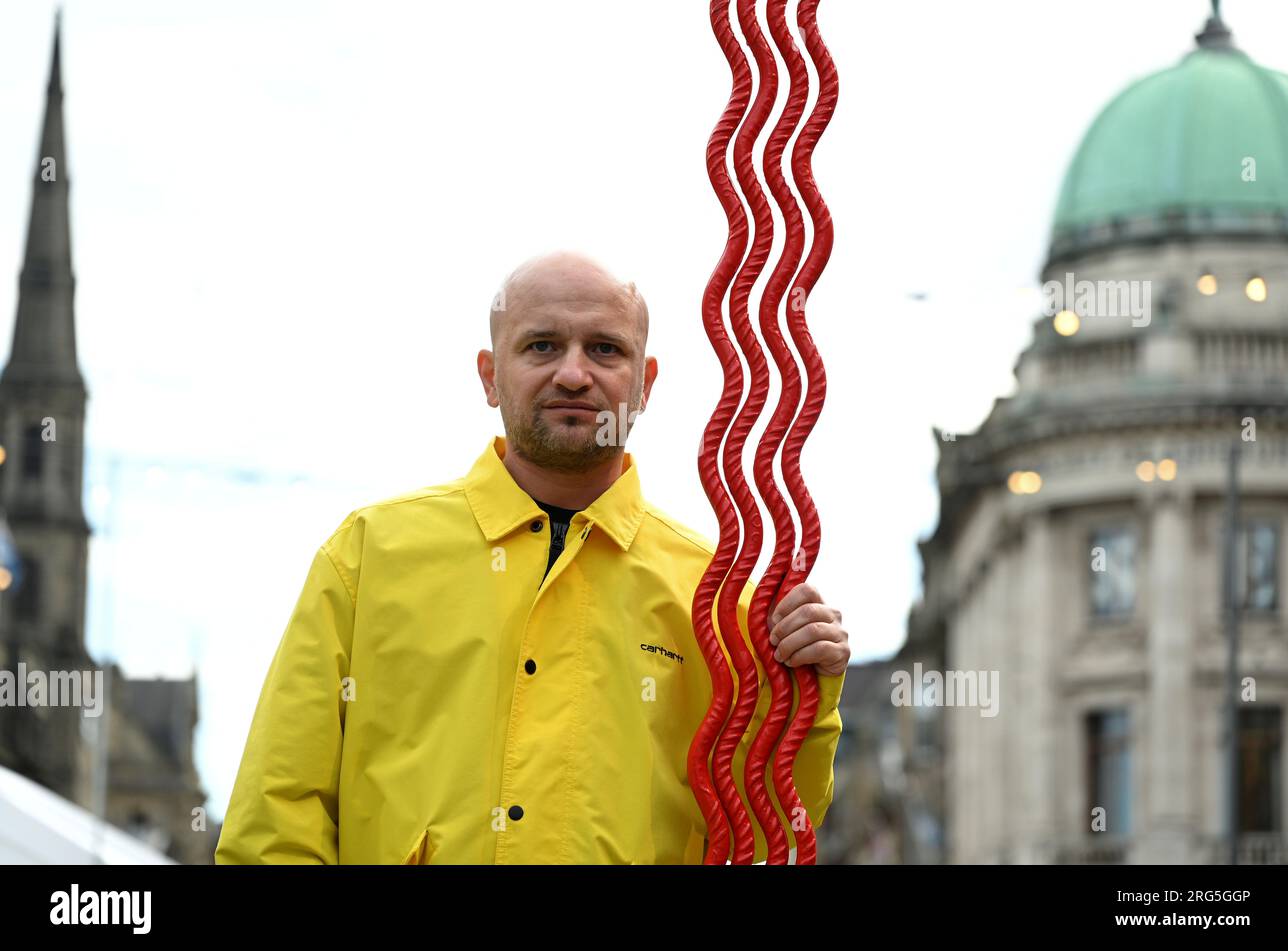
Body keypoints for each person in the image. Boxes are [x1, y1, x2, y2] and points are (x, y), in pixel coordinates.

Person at [215, 251, 850, 864]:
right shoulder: (369, 554)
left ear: (646, 383)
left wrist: (806, 697)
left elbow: (763, 836)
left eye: (605, 348)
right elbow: (277, 817)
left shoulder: (719, 595)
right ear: (490, 375)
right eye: (542, 345)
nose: (573, 374)